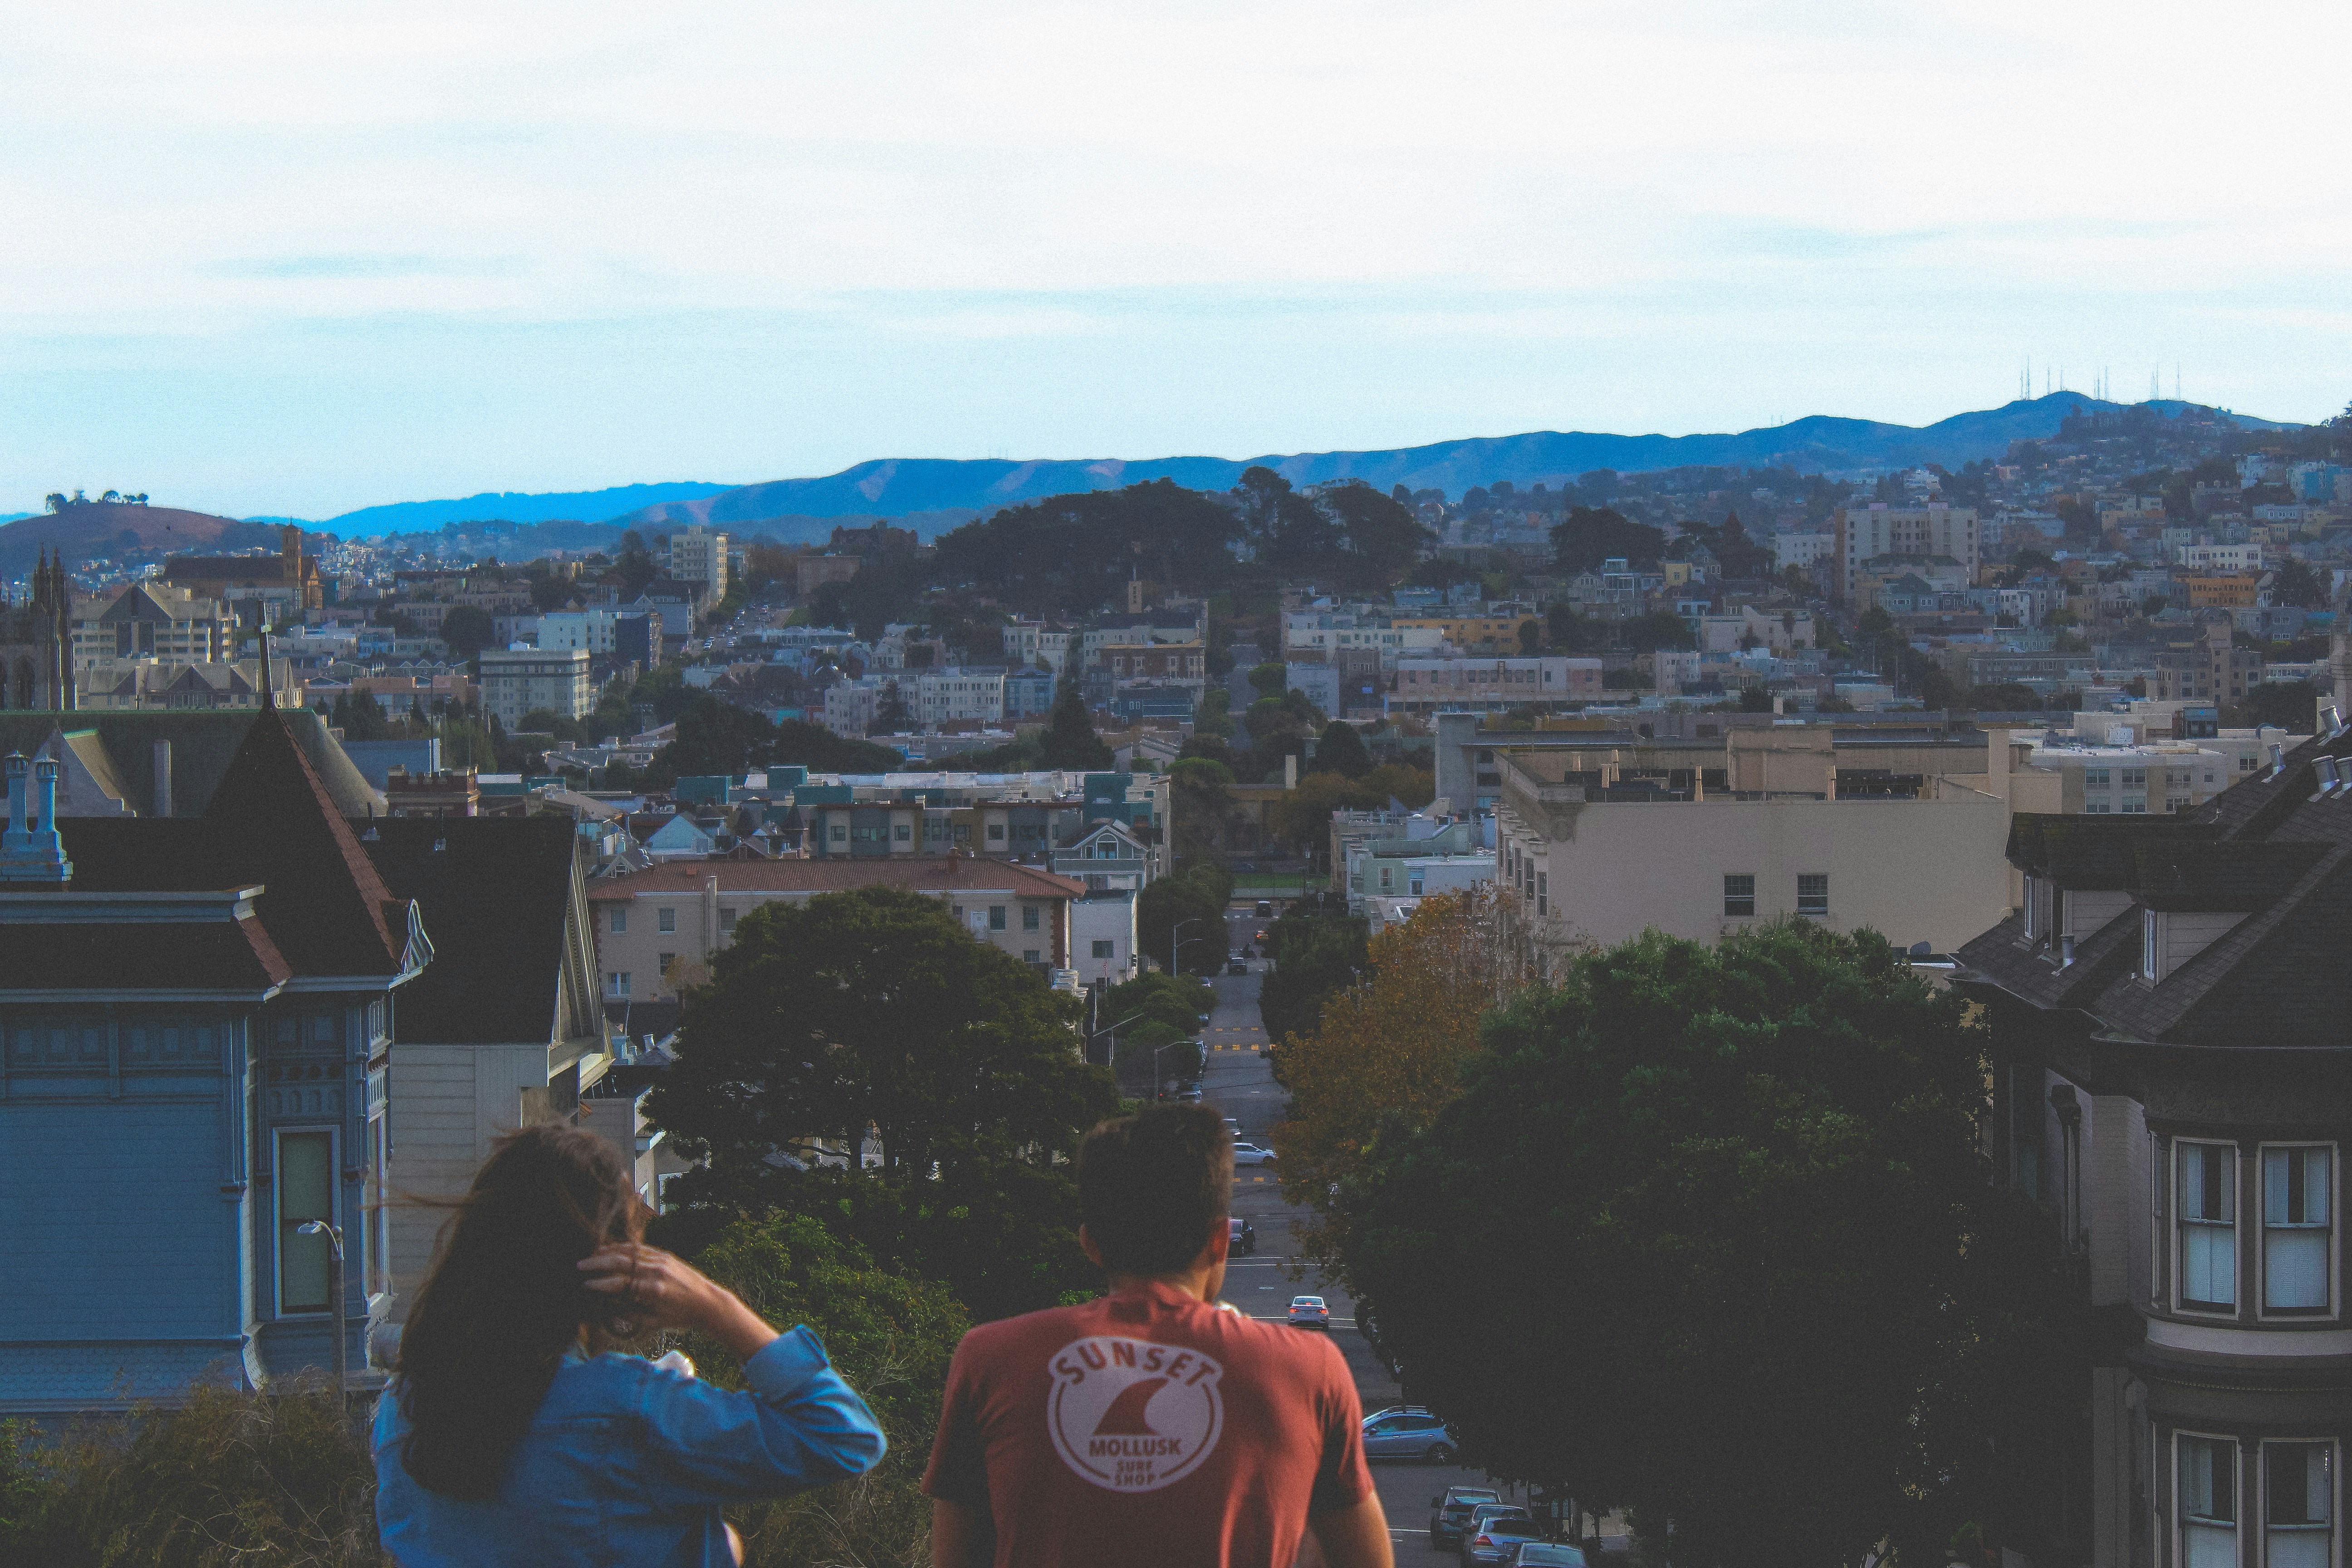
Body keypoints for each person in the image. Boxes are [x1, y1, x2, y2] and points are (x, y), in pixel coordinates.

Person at [373, 1125, 887, 1566]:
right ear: (611, 1264)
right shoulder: (630, 1409)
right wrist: (716, 1305)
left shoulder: (404, 1409)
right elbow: (844, 1436)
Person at [923, 1104, 1392, 1568]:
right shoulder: (1309, 1368)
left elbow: (956, 1554)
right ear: (1220, 1240)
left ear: (1091, 1244)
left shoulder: (989, 1359)